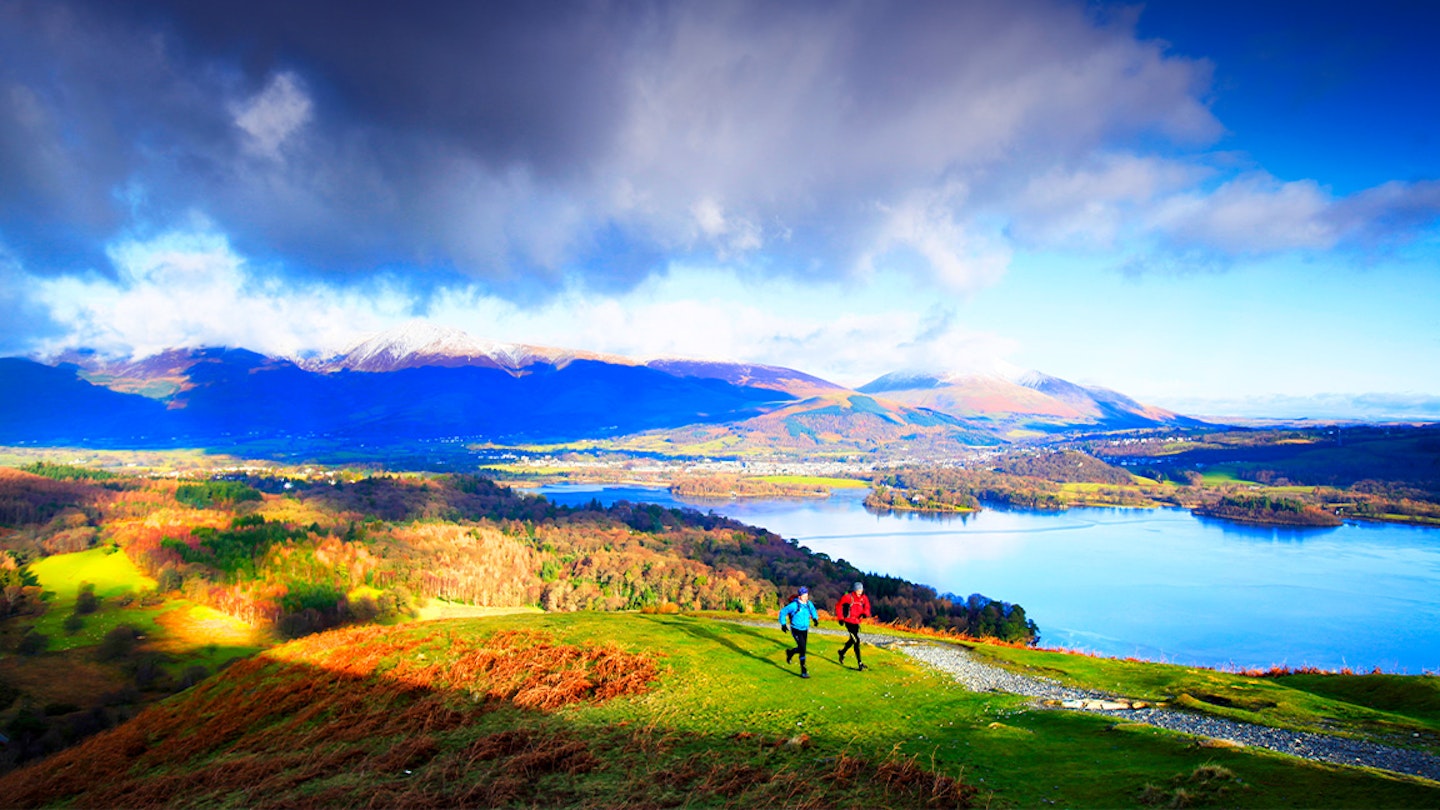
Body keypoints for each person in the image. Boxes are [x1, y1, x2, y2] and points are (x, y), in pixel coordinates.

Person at [778, 586, 820, 678]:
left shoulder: (809, 604)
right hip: (796, 629)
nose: (806, 597)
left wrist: (815, 618)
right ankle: (803, 670)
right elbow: (783, 612)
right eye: (804, 596)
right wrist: (783, 624)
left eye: (807, 595)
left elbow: (813, 610)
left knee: (802, 648)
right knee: (803, 649)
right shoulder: (794, 605)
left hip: (805, 629)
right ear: (800, 596)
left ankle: (791, 653)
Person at [836, 581, 872, 670]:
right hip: (848, 621)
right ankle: (860, 663)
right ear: (855, 590)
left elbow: (867, 606)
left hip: (856, 622)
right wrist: (840, 618)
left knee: (852, 640)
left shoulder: (864, 598)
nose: (860, 591)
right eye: (858, 590)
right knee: (856, 641)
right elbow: (838, 606)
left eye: (861, 590)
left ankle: (842, 652)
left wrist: (865, 614)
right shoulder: (848, 597)